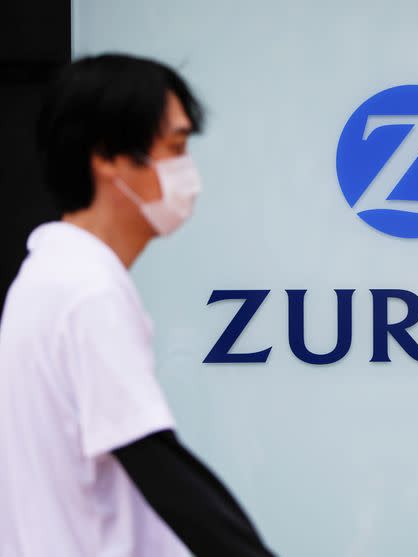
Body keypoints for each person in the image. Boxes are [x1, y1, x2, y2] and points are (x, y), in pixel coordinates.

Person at [0, 53, 277, 557]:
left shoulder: (44, 279)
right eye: (173, 148)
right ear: (106, 156)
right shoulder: (86, 293)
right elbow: (156, 464)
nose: (185, 171)